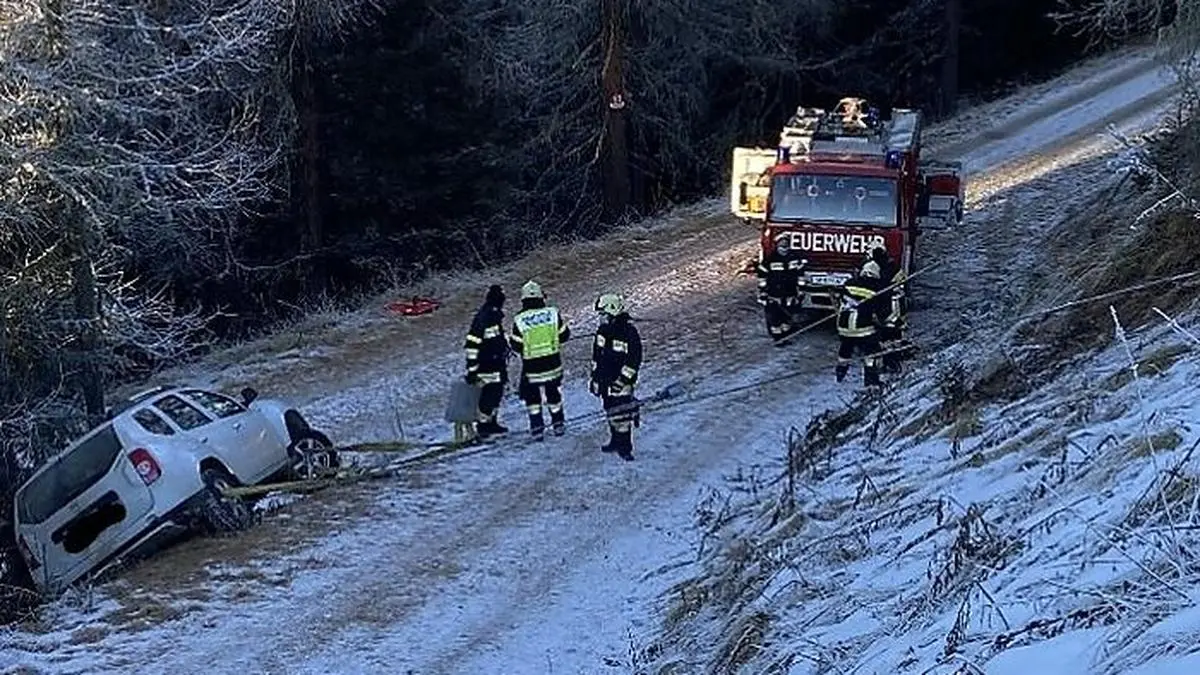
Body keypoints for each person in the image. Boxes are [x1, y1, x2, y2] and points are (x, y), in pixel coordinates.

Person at [509, 280, 572, 440]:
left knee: (533, 399)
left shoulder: (519, 319)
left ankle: (537, 429)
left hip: (532, 368)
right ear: (541, 297)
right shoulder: (552, 313)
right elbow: (564, 335)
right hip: (553, 365)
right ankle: (558, 424)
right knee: (553, 395)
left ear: (523, 299)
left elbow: (516, 345)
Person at [589, 293, 643, 461]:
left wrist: (622, 381)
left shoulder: (629, 333)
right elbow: (596, 356)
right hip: (605, 381)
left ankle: (625, 448)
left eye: (603, 314)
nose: (601, 318)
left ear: (613, 311)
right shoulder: (602, 331)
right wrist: (595, 379)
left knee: (622, 416)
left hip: (621, 383)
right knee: (611, 412)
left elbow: (634, 360)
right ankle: (615, 441)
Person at [463, 284, 510, 439]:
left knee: (496, 394)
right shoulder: (484, 318)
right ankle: (484, 426)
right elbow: (472, 345)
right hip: (486, 366)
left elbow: (496, 340)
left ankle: (492, 422)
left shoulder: (494, 316)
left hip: (496, 364)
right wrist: (472, 370)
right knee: (488, 397)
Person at [834, 261, 886, 388]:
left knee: (845, 349)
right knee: (871, 352)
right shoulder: (877, 288)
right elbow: (879, 312)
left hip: (843, 327)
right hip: (864, 329)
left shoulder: (849, 283)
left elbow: (839, 299)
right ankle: (871, 381)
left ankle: (840, 373)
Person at [756, 236, 807, 345]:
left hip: (790, 292)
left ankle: (786, 336)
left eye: (786, 244)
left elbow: (800, 275)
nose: (784, 247)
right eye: (781, 245)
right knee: (775, 318)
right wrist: (763, 292)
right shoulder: (770, 259)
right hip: (774, 294)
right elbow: (762, 276)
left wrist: (801, 290)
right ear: (777, 245)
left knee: (787, 316)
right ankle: (778, 338)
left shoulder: (794, 257)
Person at [868, 245, 907, 373]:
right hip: (897, 306)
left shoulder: (877, 270)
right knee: (895, 336)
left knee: (885, 337)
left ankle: (888, 364)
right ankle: (894, 362)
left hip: (888, 307)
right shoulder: (894, 267)